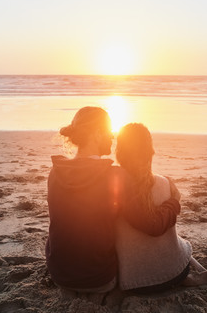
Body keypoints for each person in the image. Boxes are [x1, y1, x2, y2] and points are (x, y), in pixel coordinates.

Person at [45, 107, 181, 294]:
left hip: (59, 274)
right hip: (97, 280)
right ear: (97, 133)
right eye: (109, 132)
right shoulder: (114, 176)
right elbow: (152, 225)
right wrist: (173, 203)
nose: (112, 137)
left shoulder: (55, 172)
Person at [115, 123, 207, 293]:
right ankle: (201, 273)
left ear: (119, 152)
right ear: (150, 152)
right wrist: (174, 201)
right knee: (177, 239)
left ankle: (200, 273)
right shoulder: (165, 184)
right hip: (174, 275)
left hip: (132, 283)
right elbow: (154, 226)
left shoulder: (112, 184)